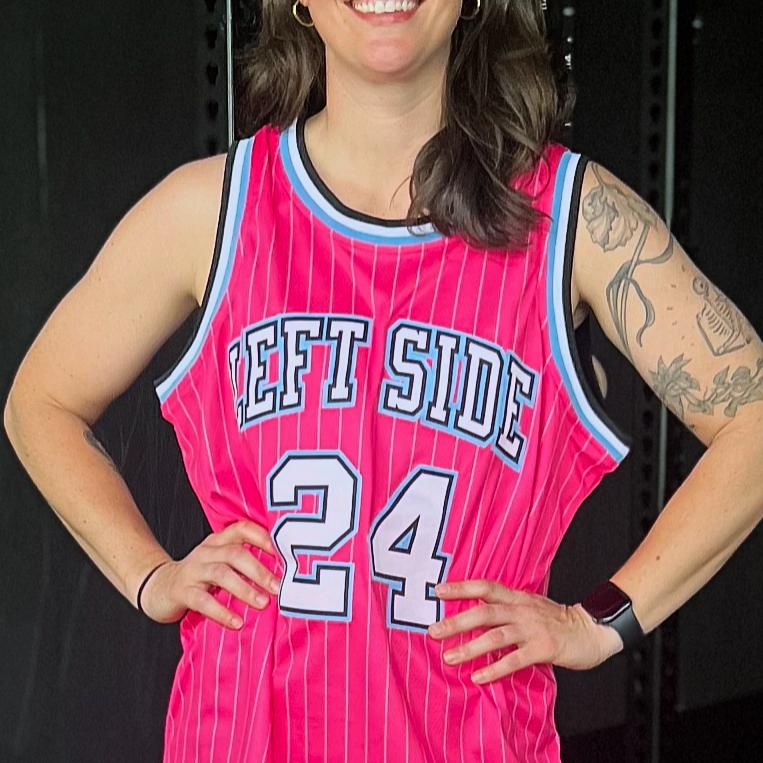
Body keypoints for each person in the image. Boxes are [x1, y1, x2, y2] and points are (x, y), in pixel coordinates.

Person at [4, 1, 762, 761]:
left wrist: (597, 623)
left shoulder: (571, 218)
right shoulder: (209, 210)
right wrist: (151, 578)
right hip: (239, 736)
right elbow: (42, 403)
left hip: (470, 742)